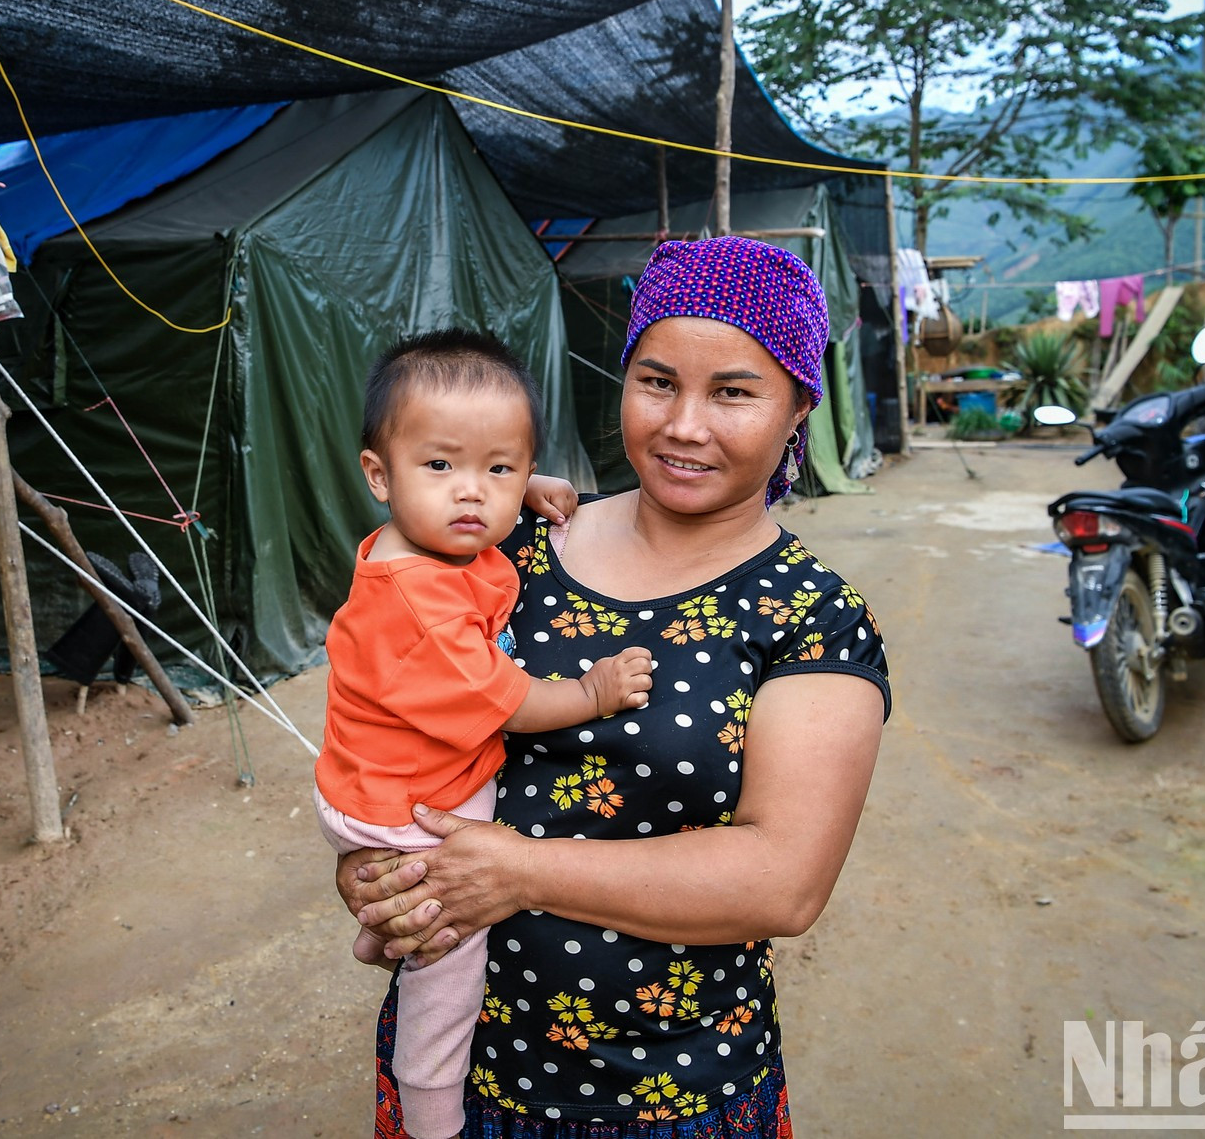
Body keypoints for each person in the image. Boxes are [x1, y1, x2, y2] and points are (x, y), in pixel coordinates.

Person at [336, 238, 891, 1137]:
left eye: (735, 392)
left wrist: (515, 870)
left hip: (668, 1095)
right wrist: (370, 864)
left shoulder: (812, 615)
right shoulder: (503, 548)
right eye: (658, 381)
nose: (685, 425)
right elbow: (382, 701)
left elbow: (783, 881)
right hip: (460, 1067)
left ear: (798, 409)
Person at [316, 329, 655, 1139]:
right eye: (442, 466)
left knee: (415, 912)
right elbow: (511, 701)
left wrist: (516, 484)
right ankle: (431, 1112)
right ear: (378, 475)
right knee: (449, 964)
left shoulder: (427, 536)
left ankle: (381, 936)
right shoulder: (418, 601)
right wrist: (593, 689)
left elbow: (466, 484)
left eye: (496, 466)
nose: (472, 494)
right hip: (409, 805)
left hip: (391, 778)